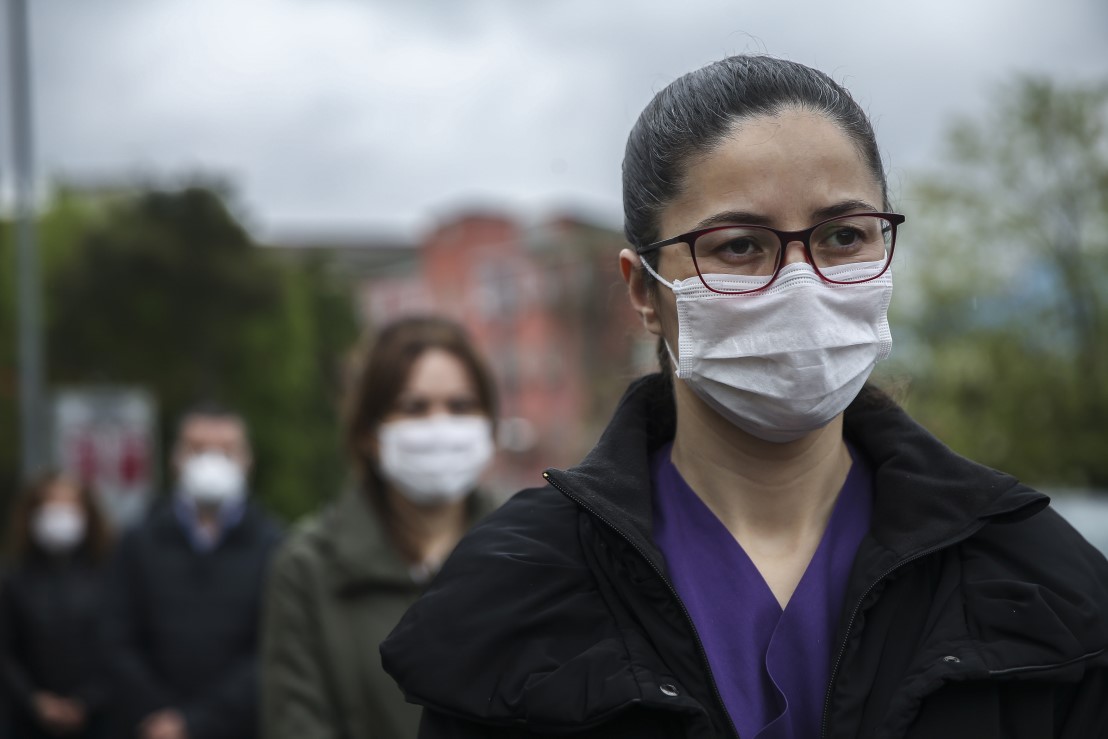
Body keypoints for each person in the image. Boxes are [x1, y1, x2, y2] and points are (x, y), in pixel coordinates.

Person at [380, 55, 1108, 738]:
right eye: (739, 245)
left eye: (844, 235)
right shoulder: (514, 595)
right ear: (642, 290)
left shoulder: (1038, 581)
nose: (802, 280)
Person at [261, 316, 501, 739]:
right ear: (370, 433)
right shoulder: (310, 569)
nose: (440, 427)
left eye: (460, 406)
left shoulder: (538, 554)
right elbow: (297, 721)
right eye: (414, 407)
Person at [103, 404, 282, 739]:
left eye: (226, 451)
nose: (212, 462)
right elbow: (116, 638)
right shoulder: (138, 542)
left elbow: (273, 648)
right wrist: (157, 716)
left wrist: (196, 722)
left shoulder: (274, 546)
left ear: (248, 460)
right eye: (198, 449)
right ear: (175, 458)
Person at [0, 471, 113, 738]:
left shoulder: (109, 576)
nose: (59, 514)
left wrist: (87, 701)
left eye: (69, 505)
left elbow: (119, 647)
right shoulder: (13, 579)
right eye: (49, 505)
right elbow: (5, 652)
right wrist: (34, 700)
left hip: (98, 721)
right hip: (27, 722)